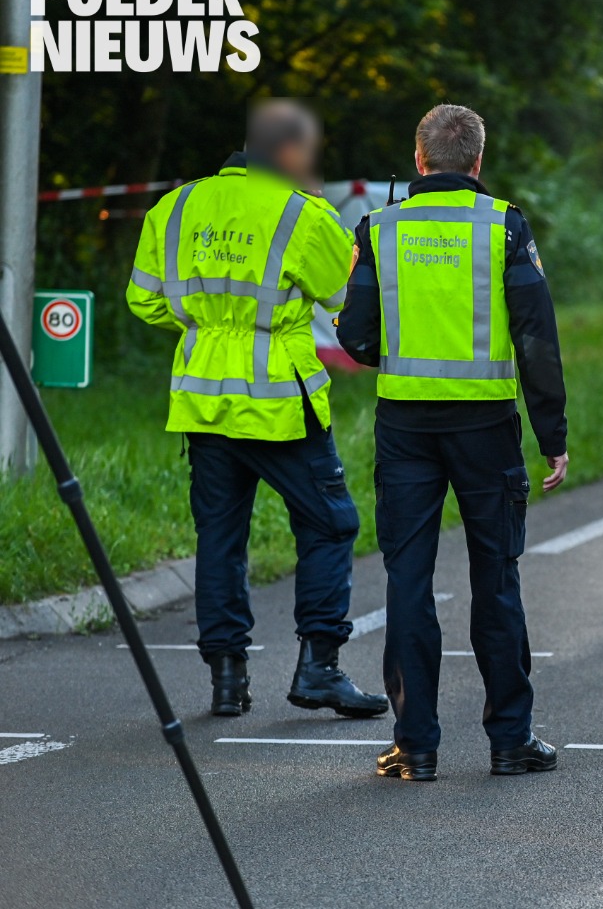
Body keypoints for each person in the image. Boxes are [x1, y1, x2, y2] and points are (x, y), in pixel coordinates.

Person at [126, 100, 388, 720]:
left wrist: (209, 329)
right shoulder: (301, 212)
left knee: (220, 537)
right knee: (331, 524)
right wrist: (321, 214)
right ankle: (319, 668)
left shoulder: (176, 206)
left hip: (201, 399)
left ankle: (226, 679)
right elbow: (343, 290)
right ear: (292, 153)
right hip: (278, 401)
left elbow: (144, 300)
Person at [336, 103, 568, 781]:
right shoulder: (504, 225)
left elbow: (353, 334)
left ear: (418, 160)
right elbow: (536, 336)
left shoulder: (379, 228)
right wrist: (551, 431)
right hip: (487, 426)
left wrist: (399, 352)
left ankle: (415, 747)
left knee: (408, 580)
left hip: (405, 424)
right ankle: (509, 740)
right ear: (476, 163)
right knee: (495, 578)